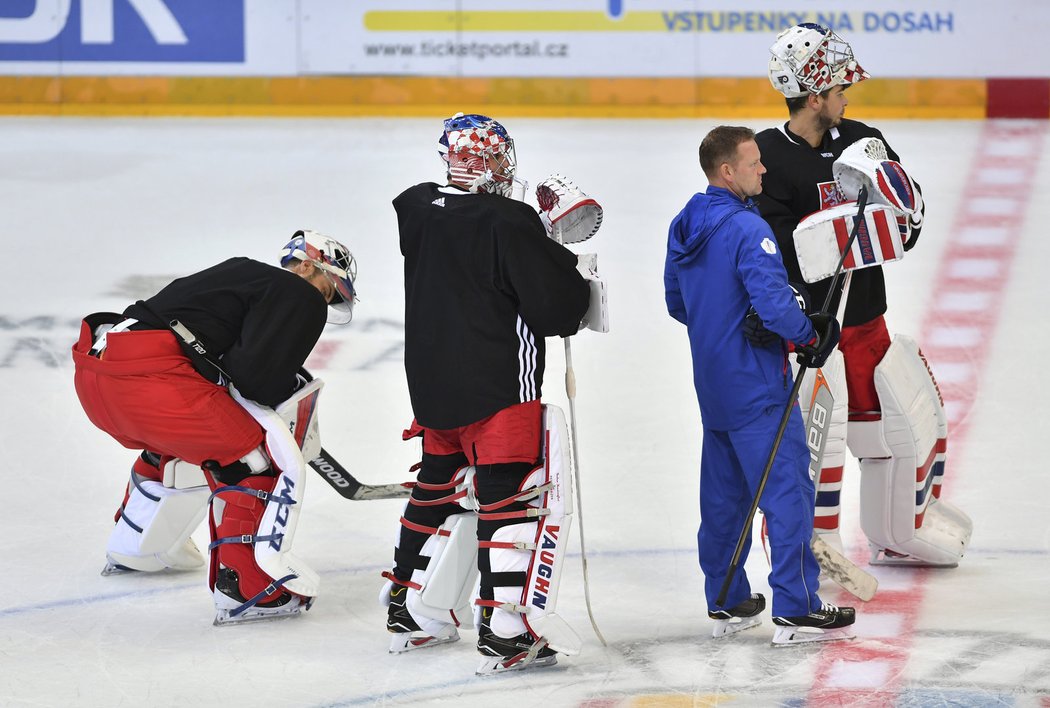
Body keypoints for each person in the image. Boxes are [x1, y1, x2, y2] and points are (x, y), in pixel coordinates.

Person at [382, 112, 592, 674]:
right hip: (499, 387)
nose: (505, 165)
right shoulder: (510, 220)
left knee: (438, 487)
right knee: (509, 498)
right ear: (490, 160)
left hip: (432, 385)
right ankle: (506, 631)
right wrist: (558, 252)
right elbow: (556, 311)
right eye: (498, 156)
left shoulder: (416, 207)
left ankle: (409, 608)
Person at [754, 23, 971, 566]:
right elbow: (773, 254)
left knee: (899, 433)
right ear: (814, 95)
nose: (847, 98)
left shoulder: (862, 141)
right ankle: (804, 548)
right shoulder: (765, 157)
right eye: (838, 89)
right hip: (808, 334)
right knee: (811, 450)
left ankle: (900, 530)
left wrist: (899, 208)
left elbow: (908, 227)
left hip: (867, 321)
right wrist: (837, 232)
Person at [72, 230, 358, 624]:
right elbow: (255, 380)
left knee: (180, 444)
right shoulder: (296, 292)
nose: (325, 300)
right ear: (308, 265)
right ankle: (247, 588)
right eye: (329, 290)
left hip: (98, 374)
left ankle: (136, 547)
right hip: (153, 383)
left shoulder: (240, 273)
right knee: (254, 461)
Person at [664, 125, 855, 645]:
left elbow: (677, 303)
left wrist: (720, 323)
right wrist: (807, 336)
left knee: (725, 497)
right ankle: (797, 606)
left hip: (713, 383)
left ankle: (726, 598)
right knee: (787, 492)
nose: (763, 170)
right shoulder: (750, 231)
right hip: (758, 384)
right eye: (754, 164)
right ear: (728, 171)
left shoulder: (685, 223)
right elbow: (773, 305)